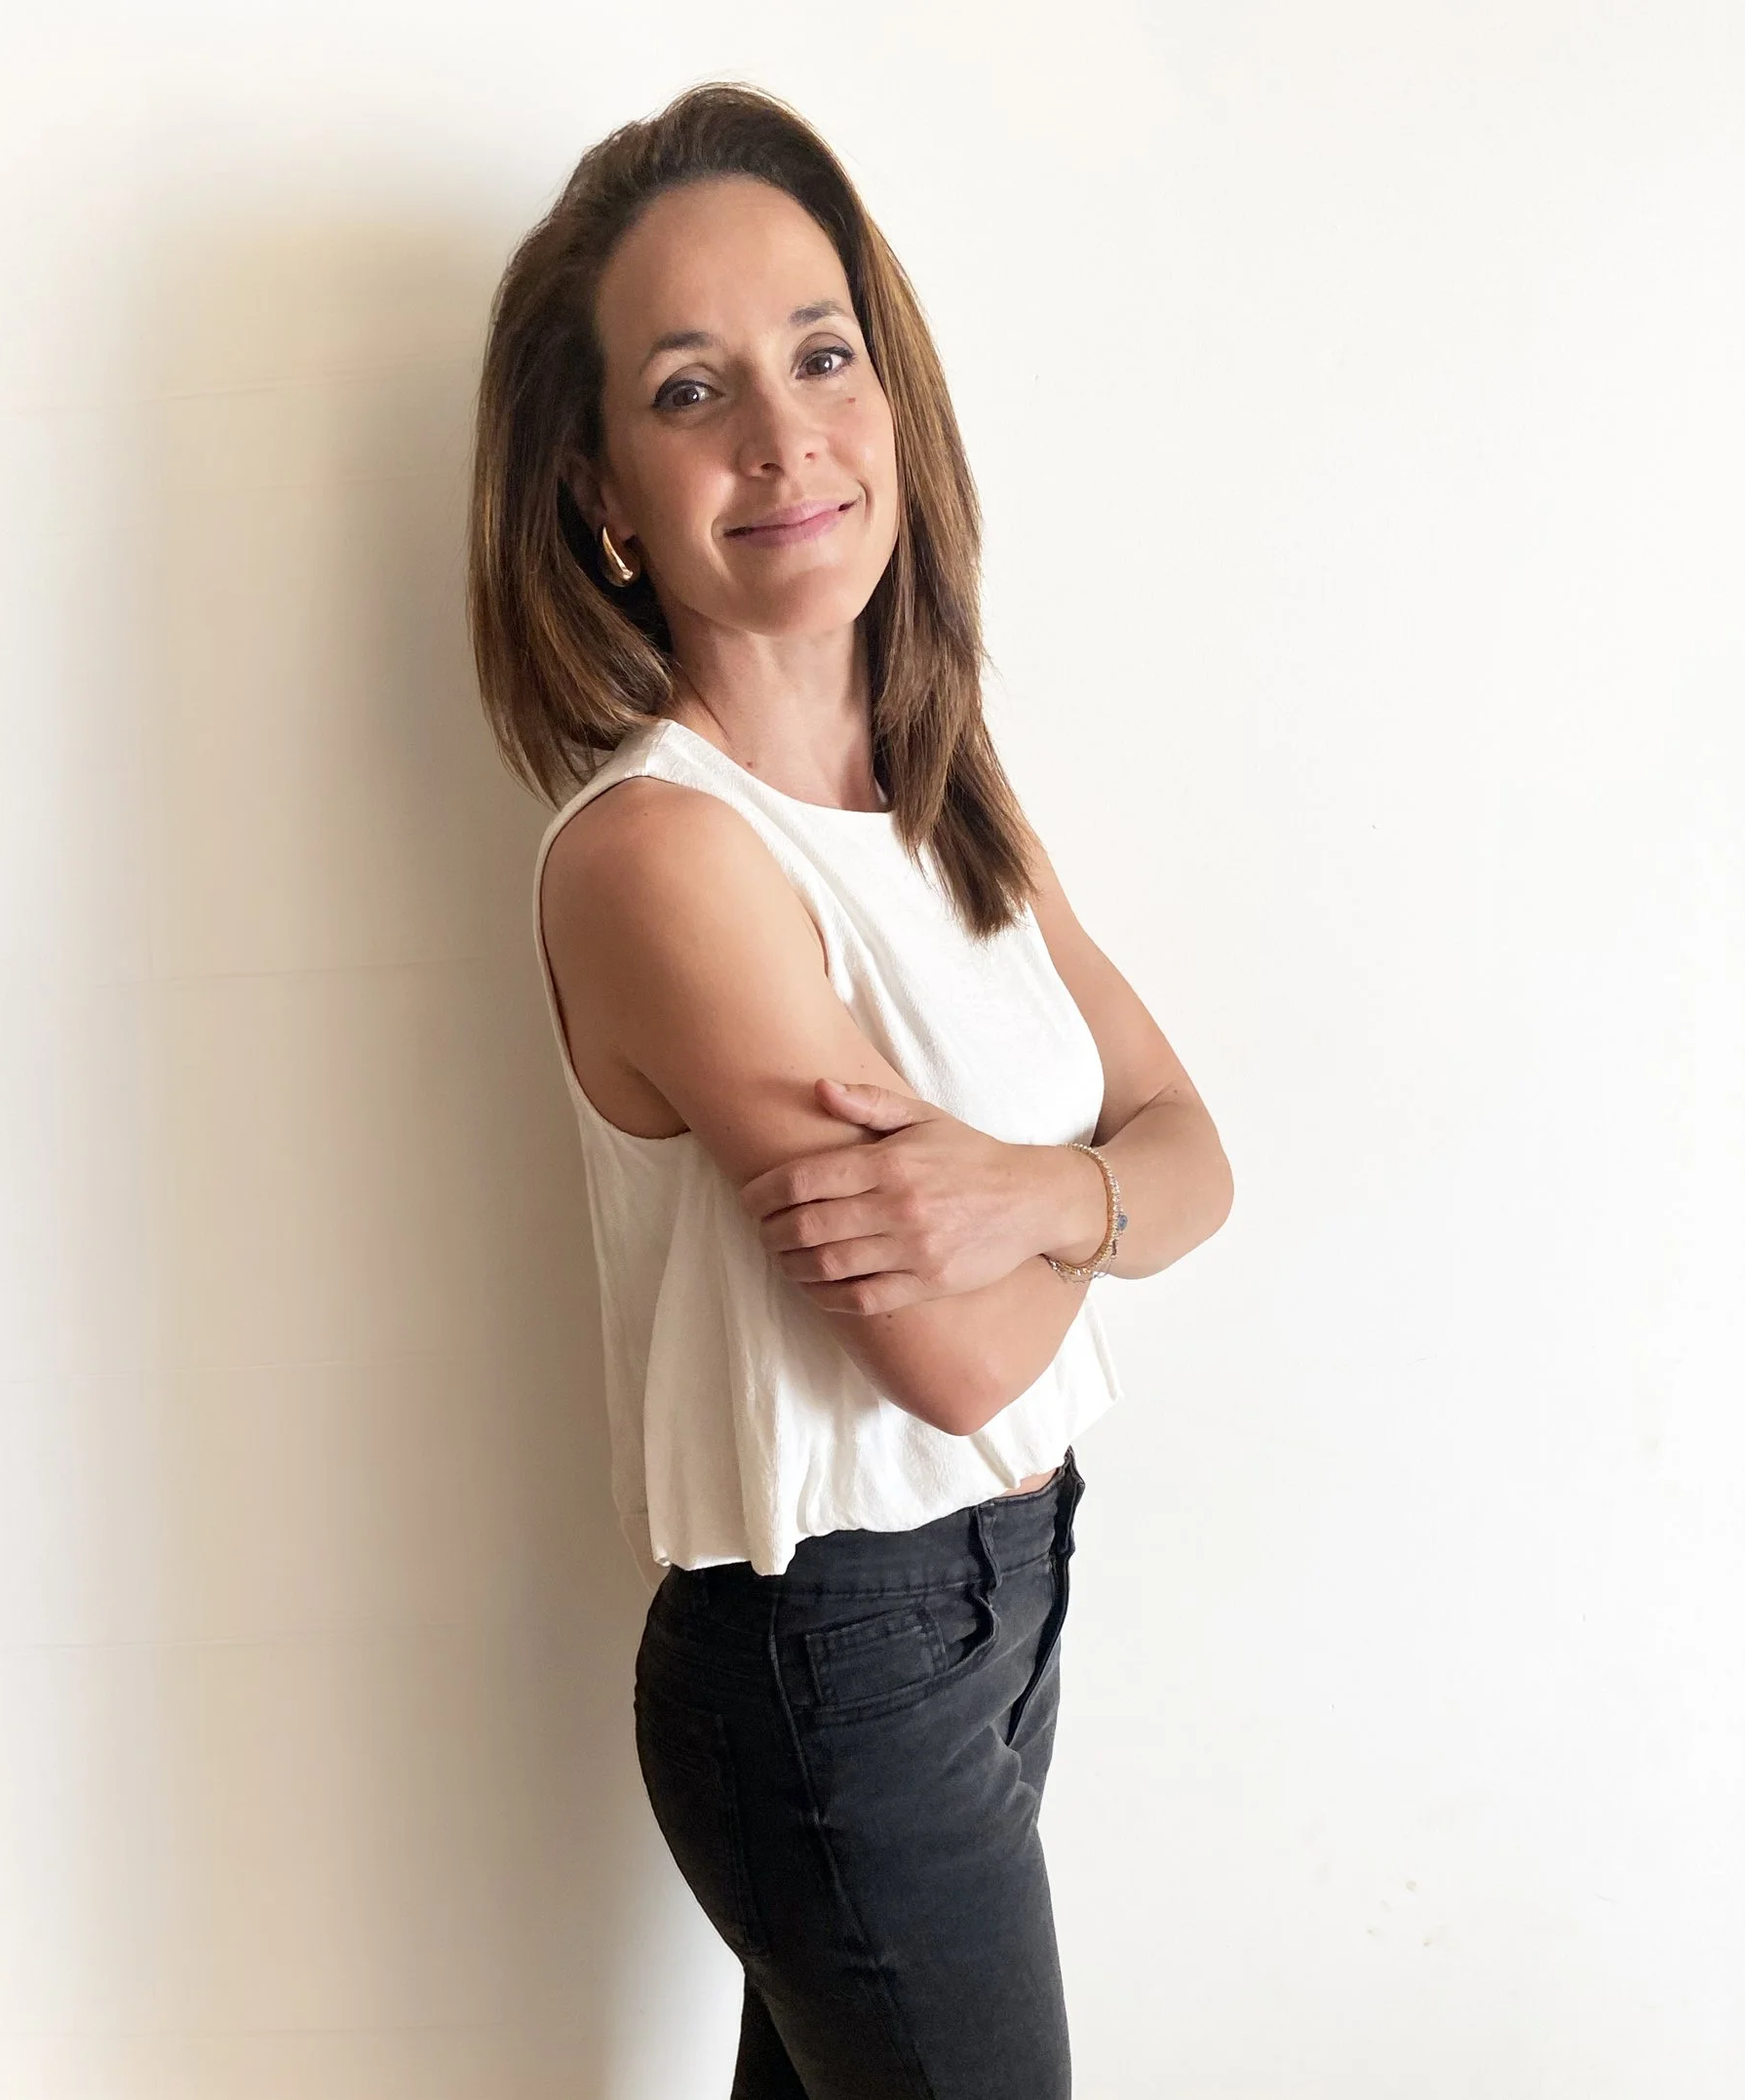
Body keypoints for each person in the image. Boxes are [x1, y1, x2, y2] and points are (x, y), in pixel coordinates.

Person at [464, 81, 1232, 2100]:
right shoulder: (663, 855)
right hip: (841, 1662)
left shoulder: (944, 791)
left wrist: (1036, 1194)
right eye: (690, 388)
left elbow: (1198, 1150)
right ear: (604, 494)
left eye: (820, 355)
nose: (784, 433)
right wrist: (1098, 1193)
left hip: (1007, 1599)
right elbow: (954, 1360)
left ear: (889, 398)